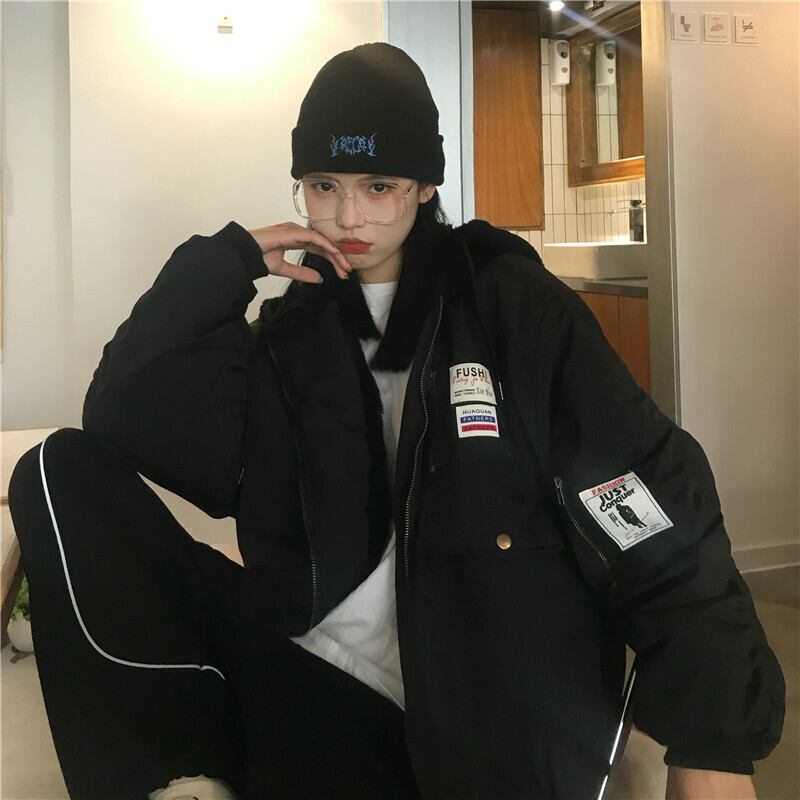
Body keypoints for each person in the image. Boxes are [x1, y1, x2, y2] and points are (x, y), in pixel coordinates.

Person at [8, 42, 784, 800]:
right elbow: (122, 412)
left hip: (473, 713)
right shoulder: (289, 336)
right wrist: (227, 259)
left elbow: (648, 498)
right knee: (55, 471)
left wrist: (711, 741)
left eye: (378, 186)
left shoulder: (510, 307)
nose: (348, 215)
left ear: (422, 185)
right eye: (323, 185)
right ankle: (183, 778)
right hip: (308, 673)